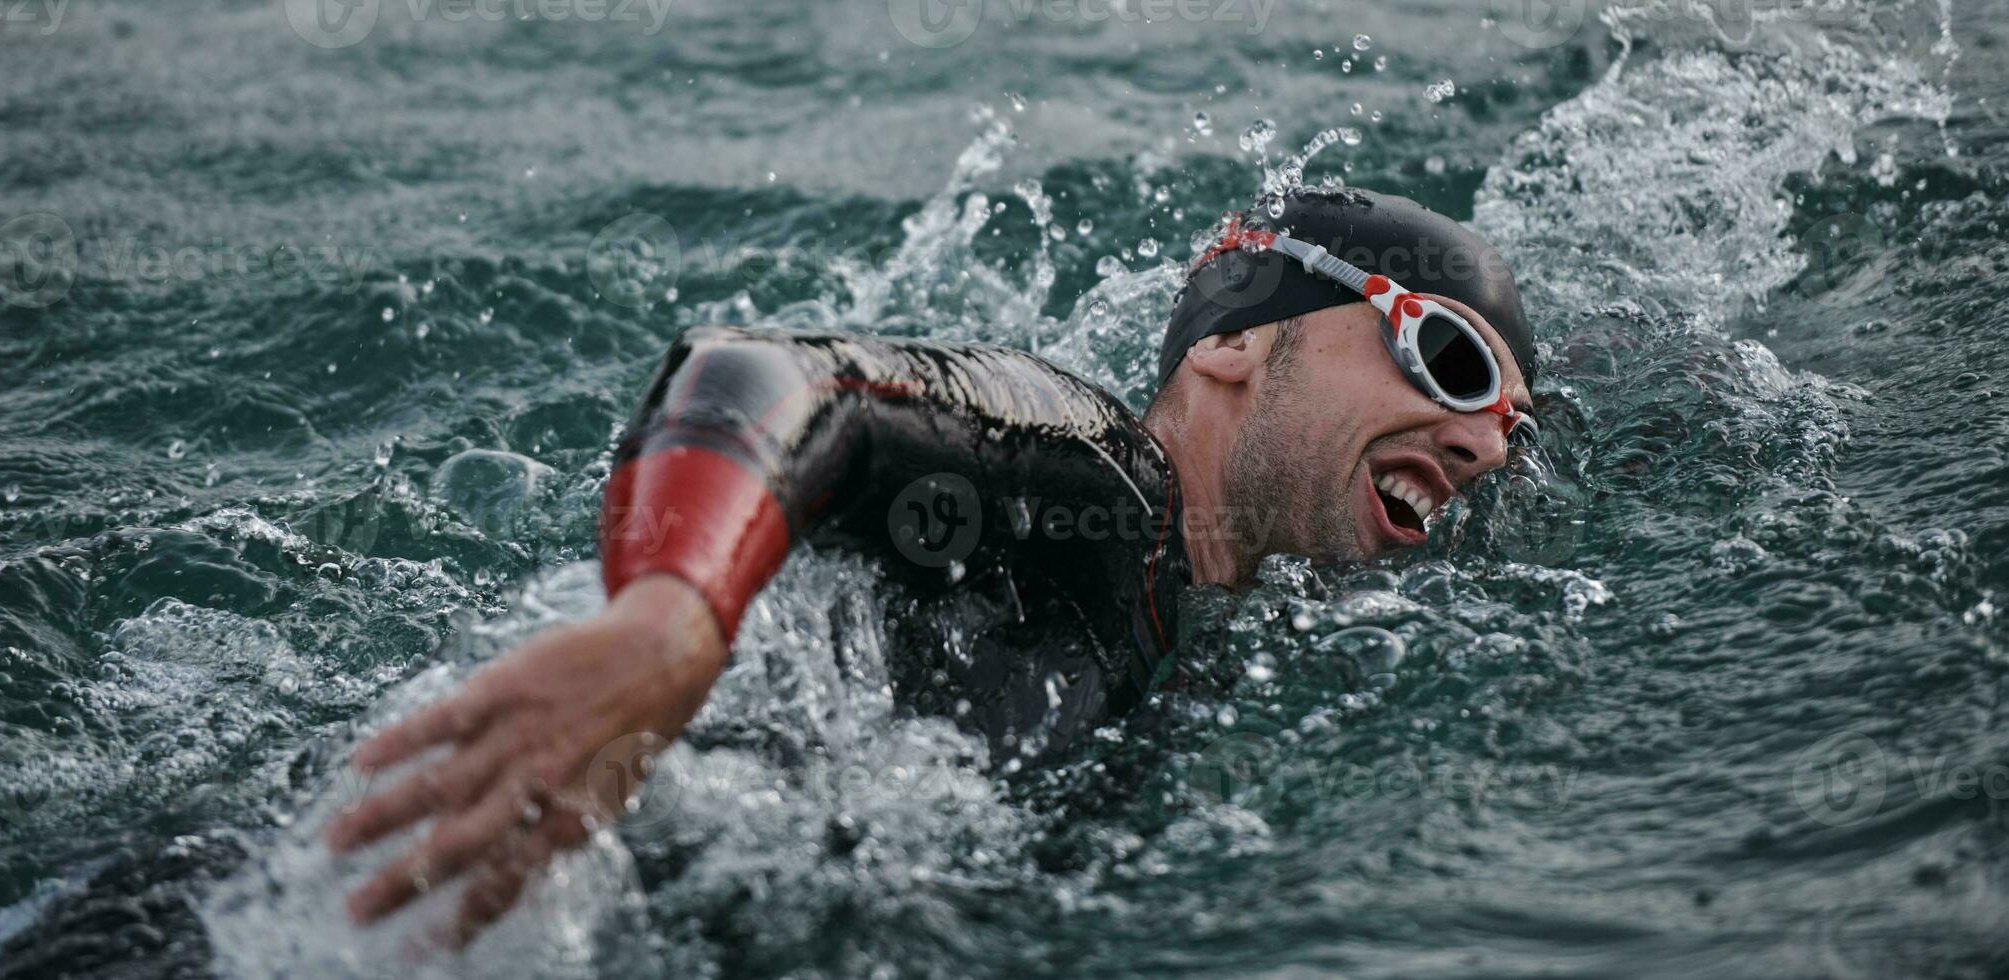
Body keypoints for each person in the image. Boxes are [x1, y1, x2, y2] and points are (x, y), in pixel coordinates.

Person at [322, 187, 1541, 945]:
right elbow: (771, 378)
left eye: (1512, 428)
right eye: (1446, 357)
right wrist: (671, 618)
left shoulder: (1203, 629)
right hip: (418, 875)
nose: (1485, 440)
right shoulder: (1091, 467)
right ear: (1233, 344)